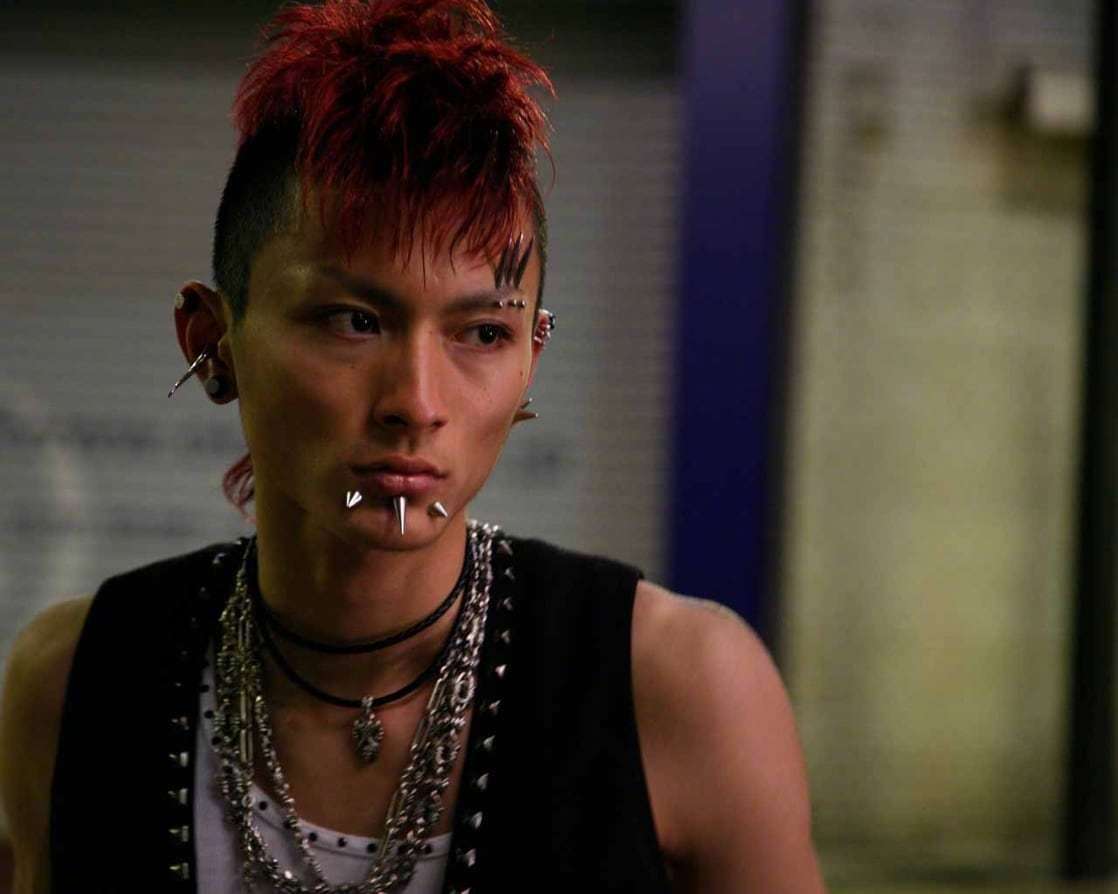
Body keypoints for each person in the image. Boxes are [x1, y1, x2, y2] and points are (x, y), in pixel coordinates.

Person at [0, 1, 826, 891]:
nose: (417, 404)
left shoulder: (678, 685)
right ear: (212, 341)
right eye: (352, 321)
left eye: (482, 334)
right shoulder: (76, 680)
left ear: (531, 358)